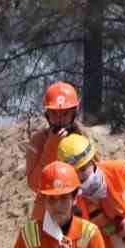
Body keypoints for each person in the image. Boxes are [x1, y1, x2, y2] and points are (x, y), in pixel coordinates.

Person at [25, 81, 88, 217]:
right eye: (54, 114)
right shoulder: (38, 141)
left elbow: (95, 176)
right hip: (47, 211)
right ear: (47, 115)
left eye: (65, 114)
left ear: (74, 114)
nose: (59, 120)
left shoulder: (83, 138)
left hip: (78, 210)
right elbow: (35, 184)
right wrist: (52, 146)